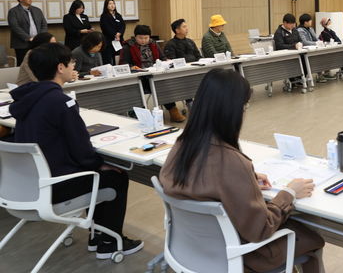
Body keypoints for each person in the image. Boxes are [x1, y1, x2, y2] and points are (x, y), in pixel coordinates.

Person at [159, 69, 324, 272]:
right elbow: (260, 229)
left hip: (193, 251)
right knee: (312, 238)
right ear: (234, 110)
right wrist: (289, 193)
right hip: (239, 257)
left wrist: (247, 178)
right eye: (245, 106)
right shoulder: (231, 161)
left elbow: (201, 178)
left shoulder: (181, 145)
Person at [10, 43, 144, 258]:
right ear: (60, 67)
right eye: (72, 62)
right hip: (55, 186)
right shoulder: (61, 103)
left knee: (103, 173)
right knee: (115, 176)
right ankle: (108, 241)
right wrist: (98, 163)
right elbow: (82, 152)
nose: (75, 66)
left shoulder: (26, 99)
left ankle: (97, 236)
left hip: (28, 185)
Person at [163, 19, 202, 122]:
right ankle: (190, 104)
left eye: (186, 26)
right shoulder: (170, 44)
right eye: (184, 27)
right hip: (179, 75)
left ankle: (201, 105)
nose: (187, 28)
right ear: (177, 30)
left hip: (194, 70)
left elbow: (199, 57)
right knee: (185, 81)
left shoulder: (190, 42)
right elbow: (171, 62)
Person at [8, 0, 48, 64]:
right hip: (22, 44)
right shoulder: (13, 11)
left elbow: (44, 25)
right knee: (24, 64)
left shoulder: (37, 10)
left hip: (37, 43)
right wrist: (29, 38)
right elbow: (15, 27)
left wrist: (40, 37)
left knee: (38, 64)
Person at [99, 0, 125, 65]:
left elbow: (123, 26)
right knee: (108, 59)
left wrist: (119, 33)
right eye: (110, 4)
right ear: (106, 6)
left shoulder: (118, 15)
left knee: (118, 58)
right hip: (109, 41)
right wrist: (115, 35)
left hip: (118, 40)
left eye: (113, 3)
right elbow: (106, 28)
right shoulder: (104, 16)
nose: (112, 5)